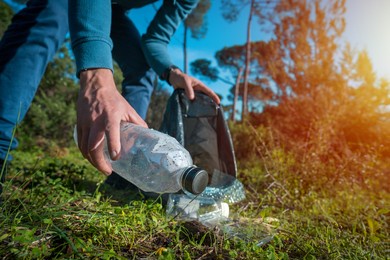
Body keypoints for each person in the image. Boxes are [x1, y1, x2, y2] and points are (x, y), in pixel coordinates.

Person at [0, 0, 220, 194]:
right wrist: (97, 75)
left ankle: (123, 170)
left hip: (112, 9)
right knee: (49, 15)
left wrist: (173, 73)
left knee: (141, 69)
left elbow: (155, 39)